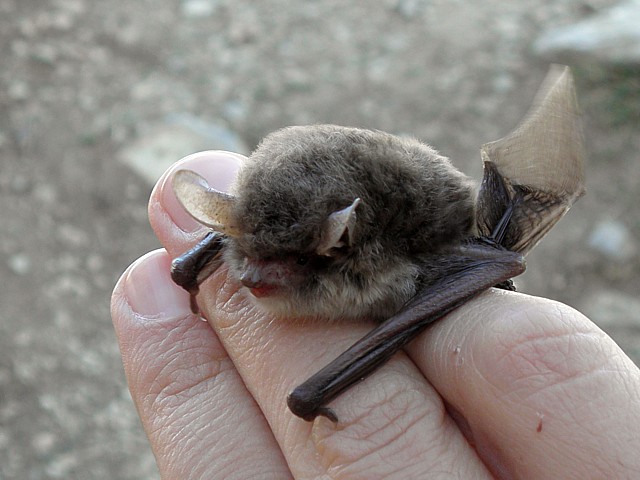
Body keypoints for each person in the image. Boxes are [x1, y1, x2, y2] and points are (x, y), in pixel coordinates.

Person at [111, 151, 640, 479]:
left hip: (421, 237)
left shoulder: (371, 257)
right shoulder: (252, 230)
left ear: (335, 250)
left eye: (282, 265)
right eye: (244, 253)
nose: (252, 278)